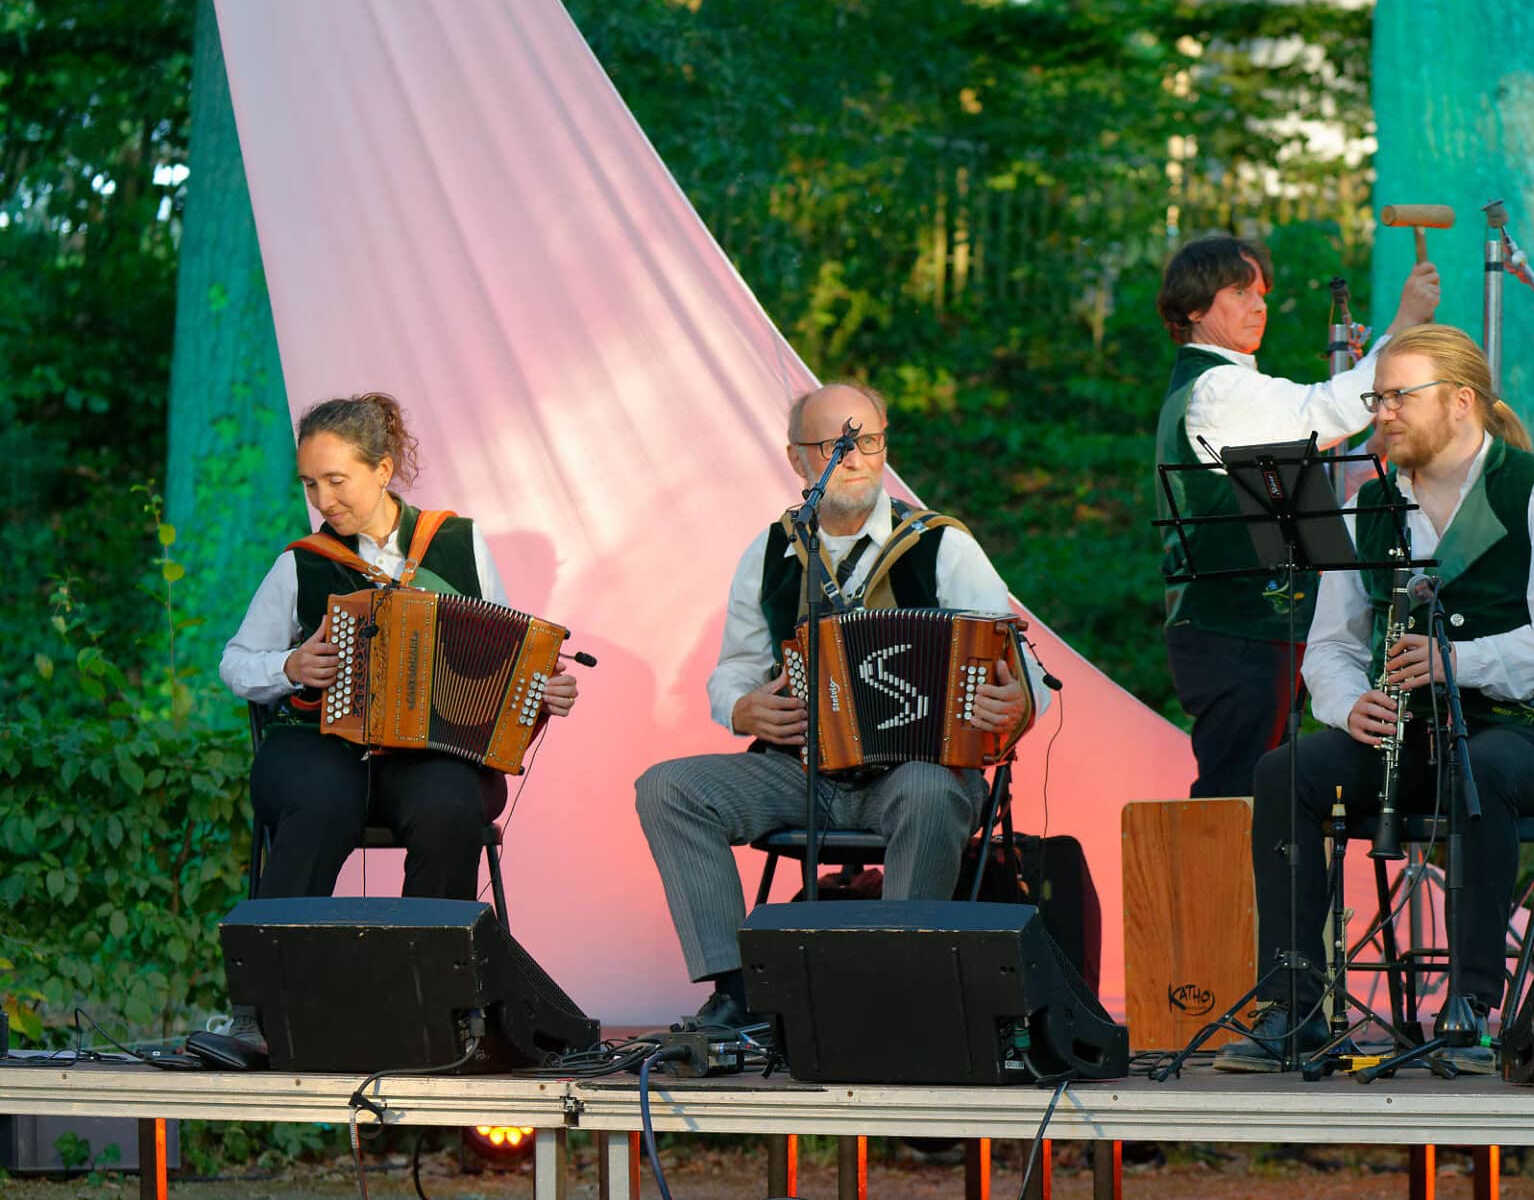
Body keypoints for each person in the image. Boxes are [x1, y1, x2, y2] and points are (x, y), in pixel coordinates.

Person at [1213, 324, 1534, 1073]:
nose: (1382, 412)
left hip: (1514, 738)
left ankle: (1471, 1009)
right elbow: (1332, 644)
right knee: (1283, 771)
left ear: (1461, 402)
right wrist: (1346, 705)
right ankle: (1291, 1007)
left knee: (1481, 770)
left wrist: (1458, 662)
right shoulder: (1371, 504)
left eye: (1400, 396)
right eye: (1377, 397)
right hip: (1401, 737)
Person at [634, 382, 1046, 1031]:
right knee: (668, 789)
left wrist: (1012, 699)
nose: (854, 457)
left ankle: (899, 991)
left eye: (869, 441)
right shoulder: (772, 550)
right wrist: (743, 710)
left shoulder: (940, 545)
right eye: (835, 444)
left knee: (932, 793)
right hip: (800, 773)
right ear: (799, 459)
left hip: (914, 773)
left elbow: (1025, 670)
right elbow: (735, 668)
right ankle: (739, 994)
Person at [220, 393, 578, 903]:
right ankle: (283, 976)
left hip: (430, 754)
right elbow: (235, 663)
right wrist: (291, 664)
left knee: (448, 805)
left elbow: (508, 655)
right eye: (310, 484)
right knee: (321, 801)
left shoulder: (459, 542)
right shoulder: (303, 563)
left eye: (335, 481)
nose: (321, 501)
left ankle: (430, 976)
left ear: (382, 469)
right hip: (321, 746)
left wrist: (541, 691)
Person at [1156, 235, 1441, 798]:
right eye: (1239, 292)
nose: (1258, 305)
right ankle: (1224, 890)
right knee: (1234, 797)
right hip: (1234, 629)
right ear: (1193, 307)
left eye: (1261, 292)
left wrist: (1370, 462)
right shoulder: (1218, 388)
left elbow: (1301, 513)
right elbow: (1331, 408)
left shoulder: (1232, 392)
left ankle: (1253, 888)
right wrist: (1405, 323)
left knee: (1258, 794)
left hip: (1253, 629)